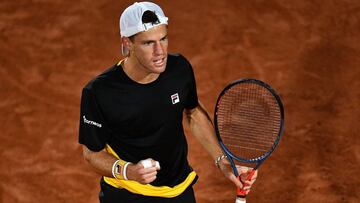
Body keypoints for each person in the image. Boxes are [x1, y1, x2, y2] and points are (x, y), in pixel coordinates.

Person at [78, 2, 257, 203]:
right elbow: (91, 154)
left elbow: (193, 113)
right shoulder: (100, 92)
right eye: (148, 43)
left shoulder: (179, 70)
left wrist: (223, 162)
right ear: (127, 43)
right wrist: (129, 171)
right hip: (127, 194)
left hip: (179, 190)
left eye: (163, 39)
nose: (160, 51)